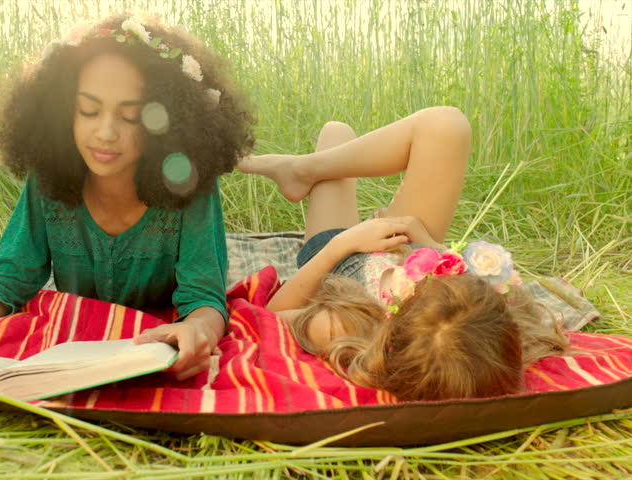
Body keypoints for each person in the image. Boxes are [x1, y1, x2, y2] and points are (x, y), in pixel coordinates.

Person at [0, 15, 255, 381]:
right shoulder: (51, 177)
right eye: (88, 110)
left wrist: (196, 329)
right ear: (64, 111)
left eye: (130, 116)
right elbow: (8, 280)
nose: (104, 133)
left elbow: (204, 298)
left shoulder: (191, 185)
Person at [238, 107, 567, 401]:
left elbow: (269, 317)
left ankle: (305, 169)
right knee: (446, 125)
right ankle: (307, 167)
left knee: (336, 131)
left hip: (339, 256)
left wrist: (344, 244)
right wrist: (429, 246)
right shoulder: (484, 333)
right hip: (406, 238)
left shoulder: (354, 325)